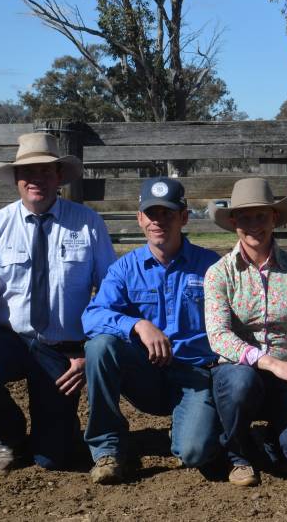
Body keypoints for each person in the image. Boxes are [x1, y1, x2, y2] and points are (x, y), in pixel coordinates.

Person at [0, 132, 116, 471]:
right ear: (16, 179)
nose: (37, 179)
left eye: (46, 171)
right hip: (10, 338)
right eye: (28, 172)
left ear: (59, 176)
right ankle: (8, 437)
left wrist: (89, 350)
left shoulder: (88, 224)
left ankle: (58, 432)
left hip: (63, 348)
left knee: (51, 460)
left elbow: (109, 294)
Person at [81, 177, 223, 483]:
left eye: (168, 214)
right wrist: (137, 325)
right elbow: (92, 316)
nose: (159, 222)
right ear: (140, 219)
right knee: (100, 346)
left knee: (194, 452)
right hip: (145, 373)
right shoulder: (124, 268)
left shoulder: (210, 266)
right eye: (151, 214)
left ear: (184, 217)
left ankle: (190, 425)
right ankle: (108, 449)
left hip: (194, 374)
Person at [204, 177, 287, 487]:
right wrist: (270, 362)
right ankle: (238, 456)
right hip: (238, 374)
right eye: (245, 217)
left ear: (274, 218)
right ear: (233, 222)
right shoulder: (219, 273)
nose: (253, 224)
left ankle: (263, 438)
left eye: (261, 215)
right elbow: (218, 335)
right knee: (240, 381)